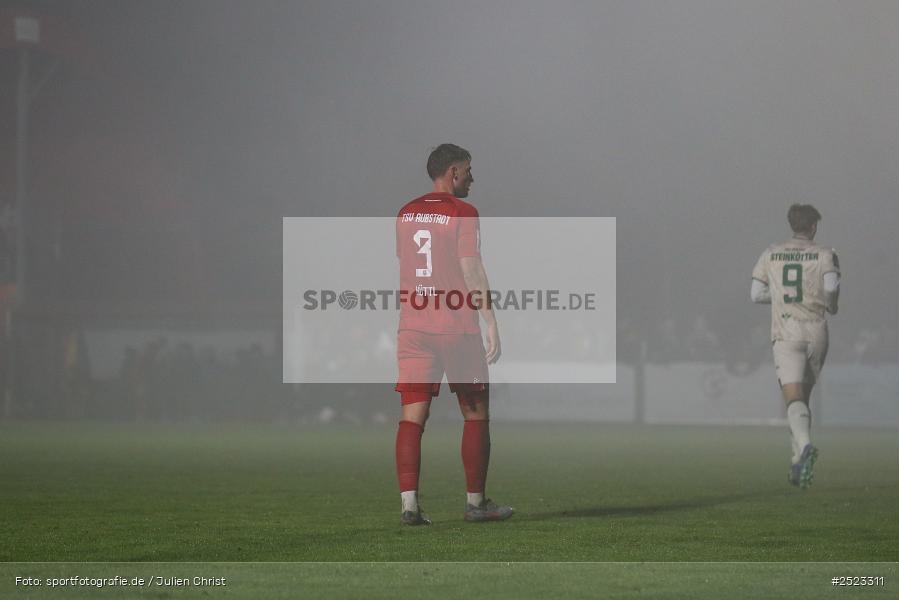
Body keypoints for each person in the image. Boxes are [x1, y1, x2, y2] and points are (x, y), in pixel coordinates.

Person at [394, 143, 513, 525]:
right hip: (455, 327)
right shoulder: (463, 212)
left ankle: (409, 506)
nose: (472, 178)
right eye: (468, 170)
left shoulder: (406, 213)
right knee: (476, 414)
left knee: (412, 419)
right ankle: (476, 504)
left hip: (413, 327)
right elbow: (470, 269)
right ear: (454, 172)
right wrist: (490, 319)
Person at [751, 204, 840, 489]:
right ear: (813, 226)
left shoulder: (770, 253)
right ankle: (796, 466)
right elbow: (831, 287)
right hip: (816, 330)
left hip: (786, 331)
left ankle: (803, 448)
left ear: (792, 224)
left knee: (793, 398)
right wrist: (832, 305)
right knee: (804, 398)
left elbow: (755, 294)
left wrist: (780, 299)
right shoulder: (826, 253)